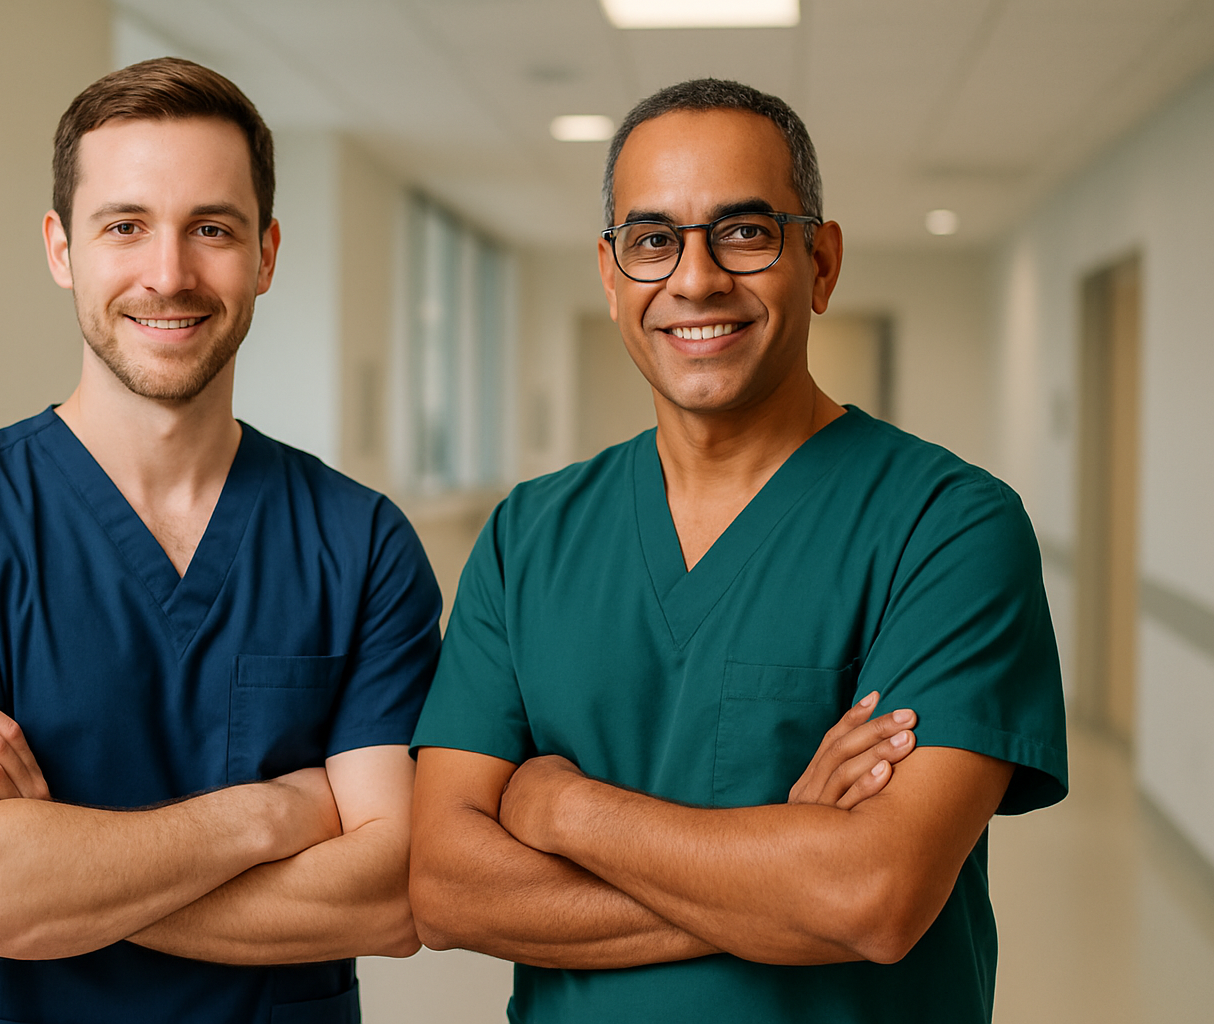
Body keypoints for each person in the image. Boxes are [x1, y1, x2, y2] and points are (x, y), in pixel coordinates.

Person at [408, 78, 1069, 1024]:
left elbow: (872, 901)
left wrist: (563, 813)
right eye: (652, 241)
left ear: (822, 260)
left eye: (746, 232)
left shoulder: (949, 526)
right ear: (610, 274)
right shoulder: (530, 535)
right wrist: (787, 868)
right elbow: (446, 886)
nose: (696, 278)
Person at [0, 58, 443, 1023]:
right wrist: (275, 814)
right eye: (125, 226)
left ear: (267, 255)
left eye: (213, 229)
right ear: (62, 248)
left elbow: (395, 893)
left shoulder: (360, 543)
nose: (169, 273)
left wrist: (52, 855)